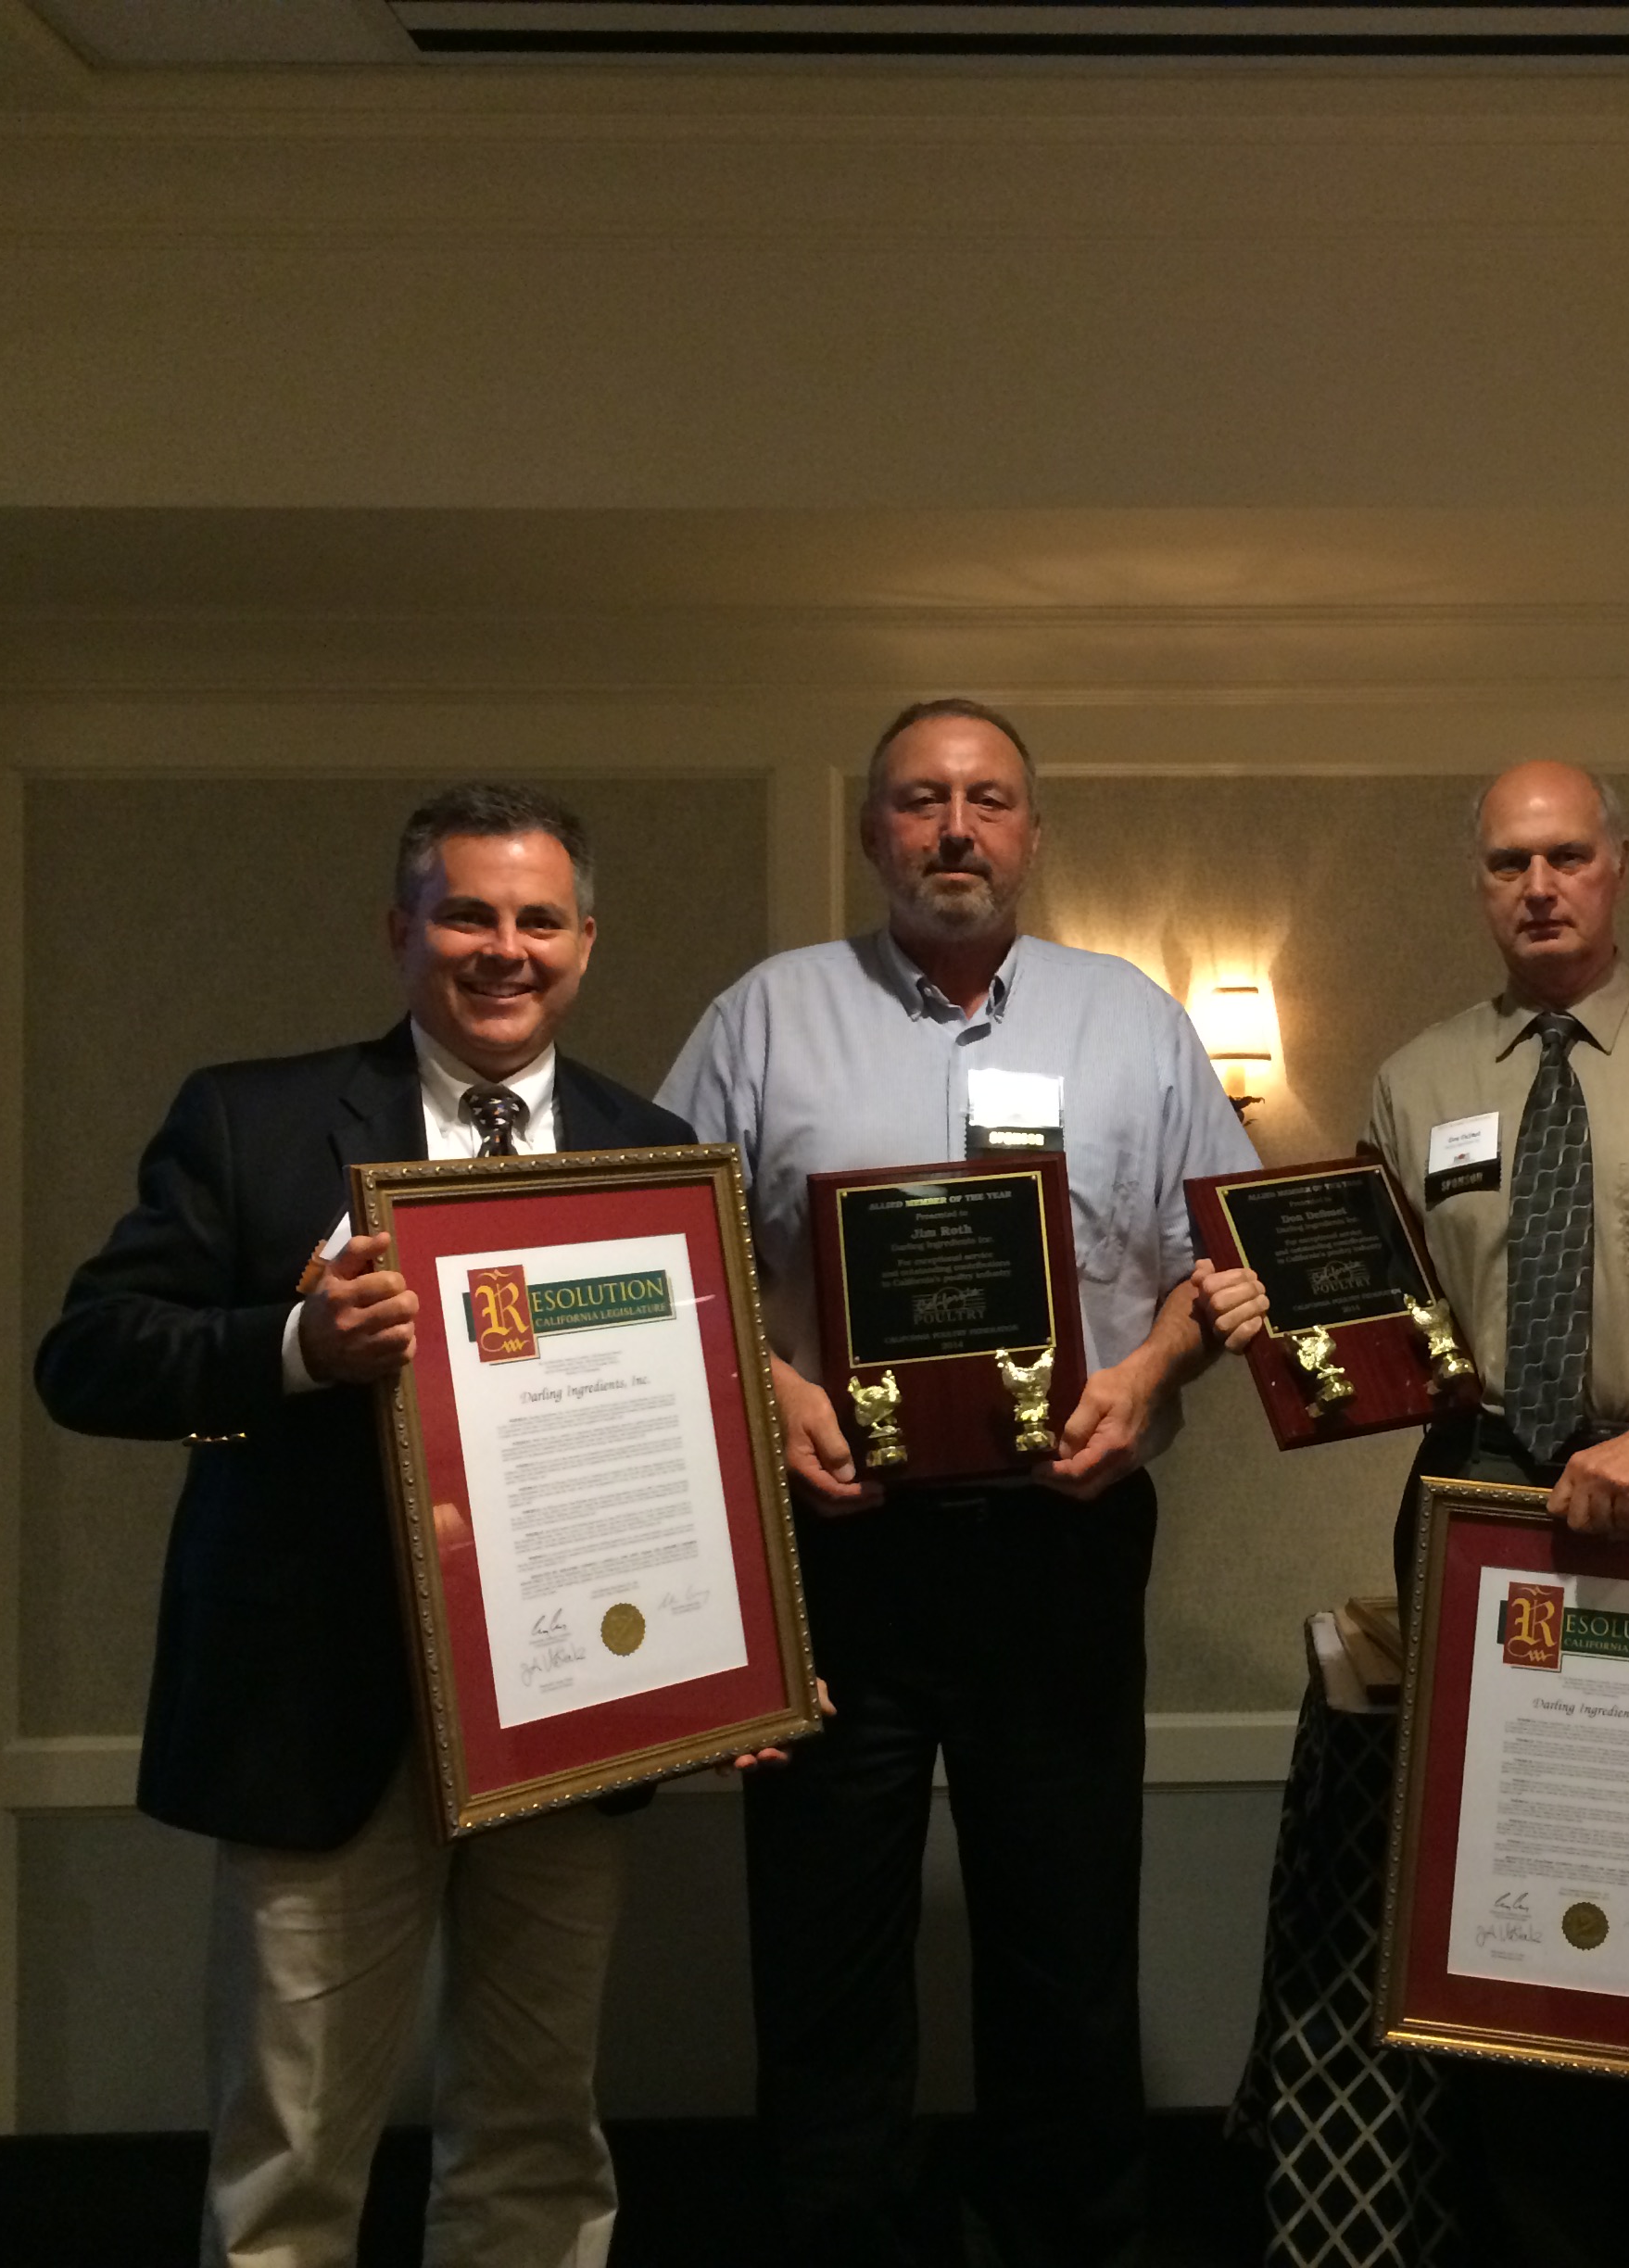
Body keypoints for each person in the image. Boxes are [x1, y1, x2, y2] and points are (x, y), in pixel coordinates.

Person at [35, 784, 695, 2268]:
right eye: (467, 915)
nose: (504, 948)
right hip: (317, 1711)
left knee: (538, 2135)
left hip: (571, 1713)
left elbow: (679, 1429)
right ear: (400, 931)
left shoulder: (653, 1146)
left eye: (539, 920)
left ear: (586, 943)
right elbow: (88, 1361)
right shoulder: (253, 1120)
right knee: (291, 2148)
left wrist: (730, 1660)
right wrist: (291, 1349)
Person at [1209, 759, 1629, 2268]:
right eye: (1509, 863)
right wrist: (1284, 1324)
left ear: (1619, 865)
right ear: (1481, 883)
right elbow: (1383, 1324)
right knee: (1508, 1910)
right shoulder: (1417, 1082)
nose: (1539, 886)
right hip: (1485, 1503)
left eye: (1565, 856)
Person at [657, 697, 1258, 2268]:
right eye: (921, 799)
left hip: (1063, 1542)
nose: (954, 828)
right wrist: (773, 1387)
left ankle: (1071, 2242)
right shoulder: (766, 1017)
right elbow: (660, 1252)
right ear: (874, 831)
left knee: (1067, 1940)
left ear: (1032, 833)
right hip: (835, 1547)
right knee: (826, 1950)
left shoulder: (1133, 1020)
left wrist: (1148, 1377)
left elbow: (1227, 1263)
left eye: (987, 799)